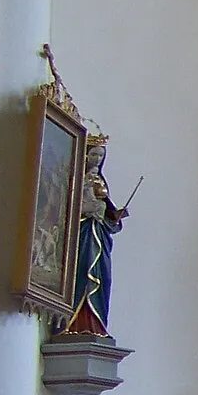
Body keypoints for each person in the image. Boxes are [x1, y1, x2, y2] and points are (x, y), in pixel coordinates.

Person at [61, 136, 127, 338]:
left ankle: (96, 323)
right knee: (82, 272)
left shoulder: (100, 181)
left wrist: (114, 217)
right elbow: (69, 208)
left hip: (99, 235)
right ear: (85, 155)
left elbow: (108, 214)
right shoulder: (77, 180)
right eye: (93, 154)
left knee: (102, 276)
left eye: (101, 155)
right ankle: (74, 321)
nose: (97, 159)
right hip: (83, 234)